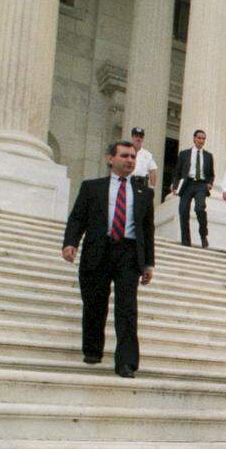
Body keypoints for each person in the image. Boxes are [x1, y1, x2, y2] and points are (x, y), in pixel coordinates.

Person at [61, 141, 155, 378]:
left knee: (127, 308)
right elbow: (77, 218)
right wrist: (71, 243)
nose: (130, 160)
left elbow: (147, 230)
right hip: (98, 250)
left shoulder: (145, 193)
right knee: (94, 302)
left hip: (129, 254)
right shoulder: (92, 187)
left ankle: (126, 363)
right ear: (110, 158)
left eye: (133, 156)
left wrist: (148, 263)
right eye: (125, 155)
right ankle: (93, 350)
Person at [171, 128, 214, 247]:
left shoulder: (208, 156)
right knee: (183, 210)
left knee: (200, 208)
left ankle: (203, 235)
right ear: (194, 139)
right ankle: (186, 241)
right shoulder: (184, 154)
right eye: (199, 138)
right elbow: (177, 172)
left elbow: (211, 174)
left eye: (203, 139)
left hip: (201, 185)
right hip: (187, 184)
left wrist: (210, 183)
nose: (201, 140)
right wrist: (175, 186)